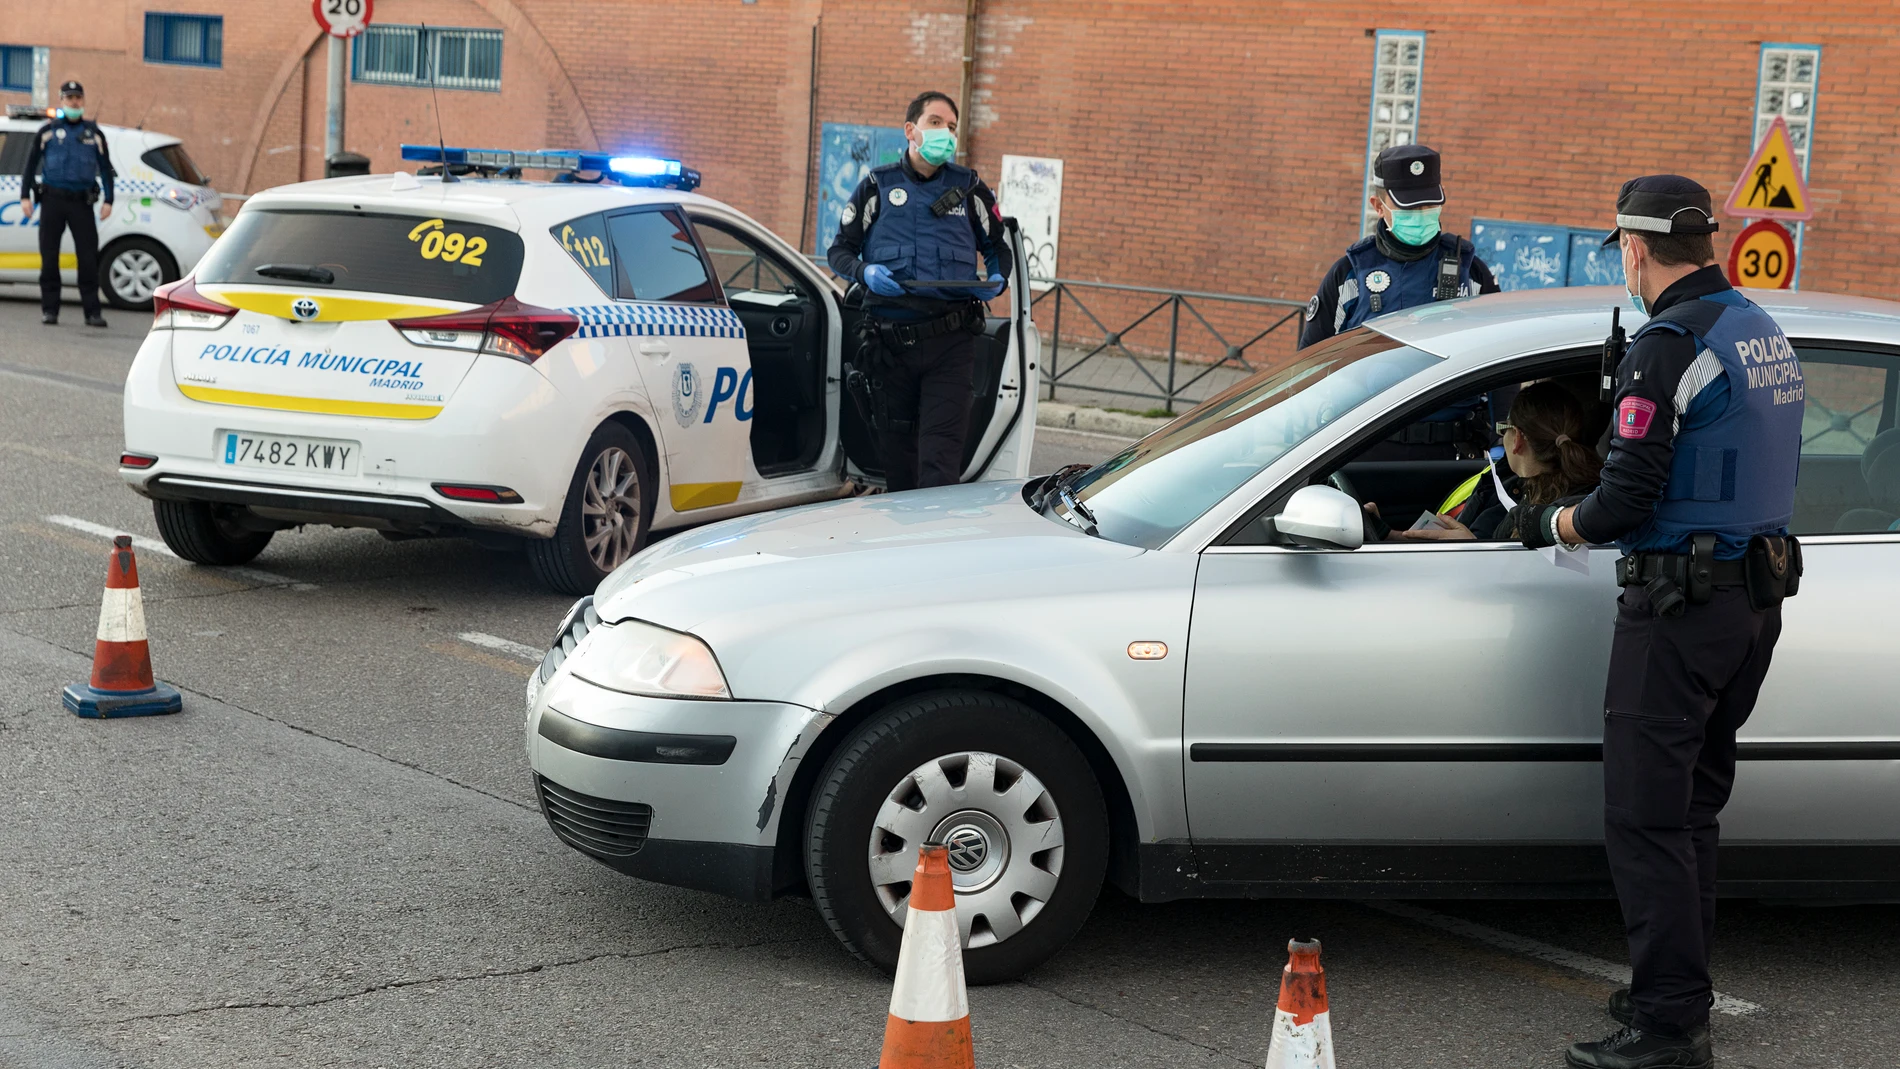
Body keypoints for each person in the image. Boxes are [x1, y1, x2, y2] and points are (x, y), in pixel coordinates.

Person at [1514, 176, 1803, 1069]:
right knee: (1690, 811)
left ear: (1632, 248)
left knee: (1645, 819)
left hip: (1681, 607)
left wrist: (1547, 524)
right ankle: (1673, 985)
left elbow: (1625, 498)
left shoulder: (1667, 345)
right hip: (1752, 603)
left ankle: (1669, 1028)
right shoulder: (1760, 330)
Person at [827, 90, 1012, 491]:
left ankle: (933, 544)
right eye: (935, 122)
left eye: (951, 127)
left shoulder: (970, 189)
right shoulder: (877, 186)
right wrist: (865, 270)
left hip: (952, 342)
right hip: (890, 346)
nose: (945, 132)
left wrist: (998, 278)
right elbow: (839, 251)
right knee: (898, 461)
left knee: (939, 459)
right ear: (911, 130)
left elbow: (998, 245)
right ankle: (900, 546)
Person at [1298, 144, 1499, 349]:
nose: (1421, 213)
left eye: (1429, 204)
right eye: (1409, 207)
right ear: (1378, 206)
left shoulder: (1471, 271)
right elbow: (1308, 364)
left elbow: (1499, 352)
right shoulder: (1349, 276)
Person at [1400, 381, 1602, 541]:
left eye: (1503, 428)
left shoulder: (1545, 513)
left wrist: (1469, 550)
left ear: (1518, 439)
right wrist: (1388, 536)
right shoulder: (1592, 500)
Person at [20, 81, 115, 328]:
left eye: (78, 98)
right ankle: (50, 310)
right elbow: (30, 166)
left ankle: (92, 312)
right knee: (49, 256)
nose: (74, 103)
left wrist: (109, 200)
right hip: (52, 201)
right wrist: (25, 196)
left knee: (87, 258)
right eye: (69, 98)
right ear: (61, 101)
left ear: (83, 101)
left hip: (81, 203)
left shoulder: (94, 134)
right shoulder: (48, 131)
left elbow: (105, 169)